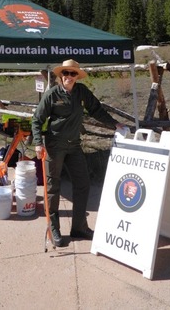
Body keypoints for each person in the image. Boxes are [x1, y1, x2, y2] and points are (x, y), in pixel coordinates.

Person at [32, 59, 125, 247]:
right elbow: (36, 120)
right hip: (54, 146)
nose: (69, 77)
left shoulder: (82, 92)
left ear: (77, 76)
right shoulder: (52, 95)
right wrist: (37, 143)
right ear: (60, 76)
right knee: (53, 188)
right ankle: (54, 229)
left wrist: (114, 124)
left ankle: (79, 227)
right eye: (65, 73)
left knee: (83, 184)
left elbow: (96, 110)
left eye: (73, 74)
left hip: (74, 146)